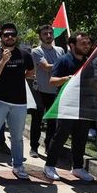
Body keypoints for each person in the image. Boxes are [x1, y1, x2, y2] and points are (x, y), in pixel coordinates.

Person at [0, 23, 34, 180]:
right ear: (1, 37)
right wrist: (4, 61)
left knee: (17, 137)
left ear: (16, 36)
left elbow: (31, 72)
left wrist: (19, 77)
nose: (10, 37)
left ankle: (18, 165)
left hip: (19, 103)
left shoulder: (25, 55)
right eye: (6, 34)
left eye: (12, 34)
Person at [44, 32, 95, 181]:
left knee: (81, 137)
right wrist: (67, 79)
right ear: (72, 45)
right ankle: (50, 166)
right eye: (82, 43)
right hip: (67, 105)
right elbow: (52, 81)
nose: (86, 46)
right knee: (61, 136)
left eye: (88, 43)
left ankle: (78, 168)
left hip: (84, 105)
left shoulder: (89, 62)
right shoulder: (63, 60)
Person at [30, 24, 65, 157]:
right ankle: (34, 148)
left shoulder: (60, 50)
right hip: (40, 91)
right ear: (40, 36)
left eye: (50, 33)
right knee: (37, 121)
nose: (48, 36)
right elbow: (46, 67)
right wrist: (62, 64)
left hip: (56, 91)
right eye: (45, 33)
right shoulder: (36, 51)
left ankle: (49, 146)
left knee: (52, 122)